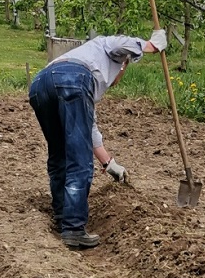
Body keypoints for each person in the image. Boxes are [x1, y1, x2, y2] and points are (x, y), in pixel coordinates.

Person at [29, 30, 168, 249]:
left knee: (59, 154)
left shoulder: (83, 62)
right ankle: (74, 229)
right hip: (70, 80)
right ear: (124, 65)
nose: (117, 83)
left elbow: (88, 127)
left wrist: (108, 163)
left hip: (40, 85)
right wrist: (150, 46)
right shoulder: (105, 48)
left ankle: (62, 214)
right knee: (79, 159)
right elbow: (119, 44)